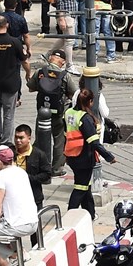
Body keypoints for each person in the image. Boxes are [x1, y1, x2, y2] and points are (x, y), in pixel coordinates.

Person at [0, 144, 39, 266]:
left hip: (18, 226)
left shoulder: (1, 175)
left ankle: (15, 255)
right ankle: (18, 252)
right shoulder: (21, 172)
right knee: (3, 237)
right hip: (33, 223)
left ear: (0, 161)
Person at [63, 88, 116, 219]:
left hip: (72, 155)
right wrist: (109, 157)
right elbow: (94, 142)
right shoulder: (85, 119)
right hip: (83, 158)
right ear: (90, 102)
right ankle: (70, 216)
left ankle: (90, 214)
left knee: (85, 186)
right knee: (80, 188)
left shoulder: (68, 113)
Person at [26, 48, 78, 176]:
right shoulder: (65, 75)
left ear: (50, 58)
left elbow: (31, 88)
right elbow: (74, 93)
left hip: (43, 111)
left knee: (40, 139)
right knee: (59, 140)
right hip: (59, 113)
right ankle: (56, 168)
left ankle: (35, 165)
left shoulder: (40, 72)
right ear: (63, 62)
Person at [0, 15, 29, 147]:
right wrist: (28, 73)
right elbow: (24, 60)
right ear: (7, 25)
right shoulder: (15, 42)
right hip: (10, 83)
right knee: (9, 112)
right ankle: (6, 140)